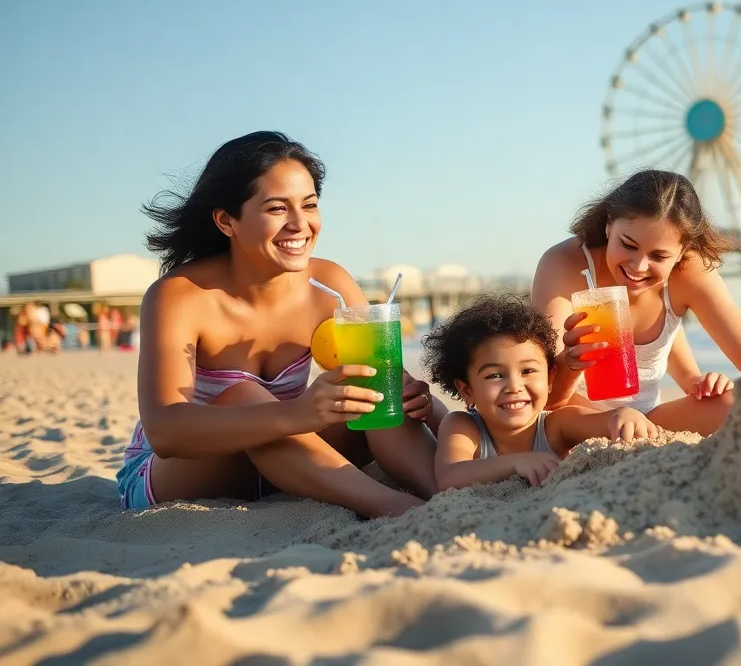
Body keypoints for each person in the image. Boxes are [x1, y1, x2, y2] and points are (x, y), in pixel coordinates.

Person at [119, 131, 440, 518]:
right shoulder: (179, 296)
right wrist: (296, 414)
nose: (300, 224)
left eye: (309, 205)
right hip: (185, 472)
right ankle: (394, 507)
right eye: (276, 209)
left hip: (292, 466)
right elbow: (166, 431)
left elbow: (385, 388)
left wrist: (411, 397)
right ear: (226, 220)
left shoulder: (329, 284)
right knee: (243, 395)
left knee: (374, 391)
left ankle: (445, 493)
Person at [530, 170, 741, 436]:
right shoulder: (564, 265)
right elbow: (544, 397)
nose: (638, 267)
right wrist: (569, 361)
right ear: (609, 224)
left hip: (650, 423)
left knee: (737, 401)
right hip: (575, 420)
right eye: (628, 244)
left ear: (683, 252)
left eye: (658, 256)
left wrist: (703, 384)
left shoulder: (689, 271)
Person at [424, 294, 659, 490]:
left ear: (549, 379)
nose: (514, 386)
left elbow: (602, 422)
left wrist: (622, 415)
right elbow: (449, 476)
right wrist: (516, 463)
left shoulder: (556, 425)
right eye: (495, 375)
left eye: (527, 370)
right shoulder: (463, 426)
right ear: (467, 391)